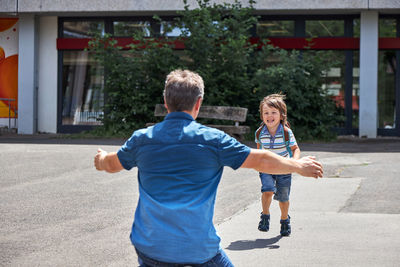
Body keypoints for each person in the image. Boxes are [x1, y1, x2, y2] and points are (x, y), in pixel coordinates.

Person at [94, 69, 323, 266]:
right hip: (199, 248)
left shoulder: (142, 139)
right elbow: (261, 159)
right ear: (198, 103)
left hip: (152, 246)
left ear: (166, 102)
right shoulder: (213, 140)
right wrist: (297, 165)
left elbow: (112, 164)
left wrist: (102, 158)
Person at [255, 93, 299, 236]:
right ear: (262, 116)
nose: (270, 116)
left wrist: (295, 162)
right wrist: (257, 163)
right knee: (267, 190)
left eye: (273, 112)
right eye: (266, 113)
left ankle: (284, 219)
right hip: (266, 168)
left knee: (283, 198)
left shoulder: (286, 132)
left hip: (284, 168)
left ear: (281, 115)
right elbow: (259, 150)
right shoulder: (260, 133)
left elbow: (295, 149)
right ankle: (265, 216)